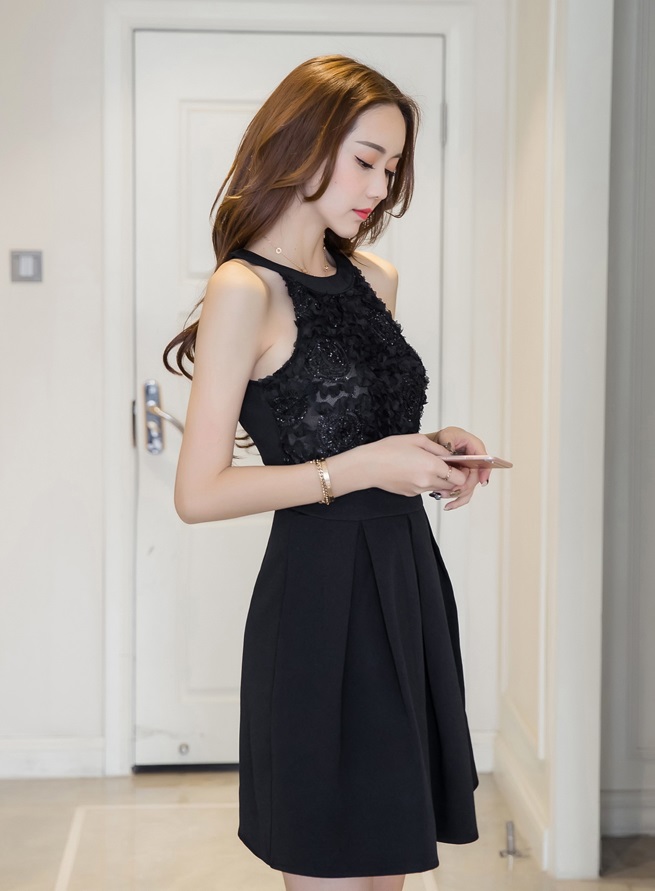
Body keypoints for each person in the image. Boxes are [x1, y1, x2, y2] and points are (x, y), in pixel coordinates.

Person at [164, 54, 489, 891]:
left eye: (392, 167)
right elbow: (198, 493)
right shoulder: (244, 289)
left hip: (405, 584)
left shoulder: (374, 278)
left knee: (389, 867)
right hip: (318, 599)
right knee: (330, 862)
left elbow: (365, 428)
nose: (380, 187)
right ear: (302, 144)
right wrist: (359, 466)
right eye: (365, 160)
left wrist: (432, 447)